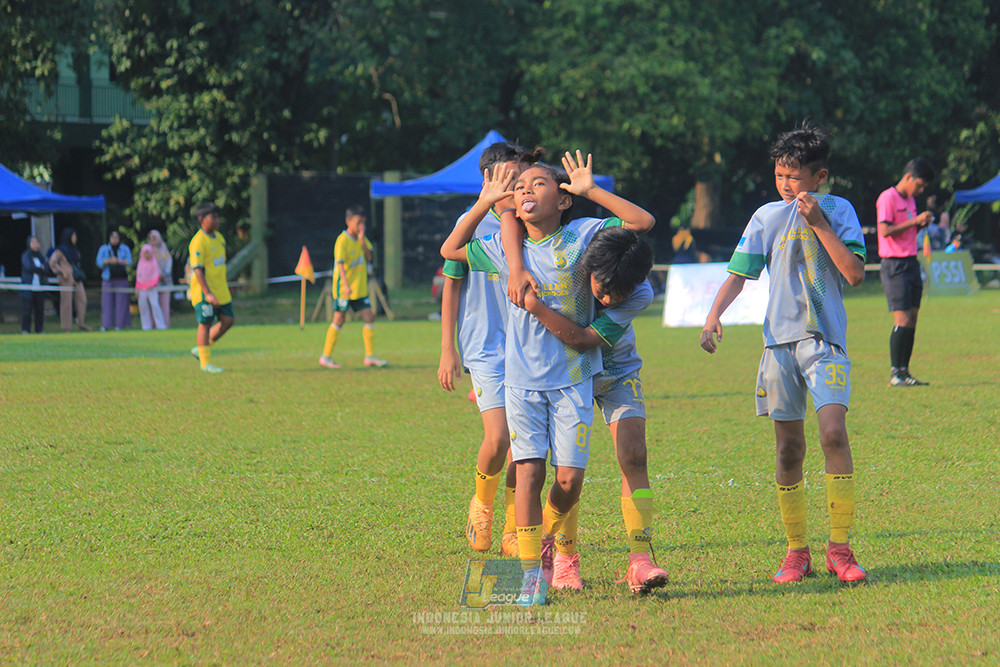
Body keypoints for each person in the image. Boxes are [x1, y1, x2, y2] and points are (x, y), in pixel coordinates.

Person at [441, 150, 655, 605]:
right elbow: (450, 250)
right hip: (521, 382)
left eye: (537, 184)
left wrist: (591, 190)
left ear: (562, 200)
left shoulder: (581, 238)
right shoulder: (502, 250)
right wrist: (485, 202)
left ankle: (545, 541)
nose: (525, 190)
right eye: (519, 188)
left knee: (569, 482)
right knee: (529, 472)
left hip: (575, 378)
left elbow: (641, 223)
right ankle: (531, 574)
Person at [699, 124, 868, 584]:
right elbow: (740, 274)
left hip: (825, 342)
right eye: (779, 176)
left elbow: (854, 274)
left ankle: (840, 548)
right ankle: (797, 552)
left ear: (820, 176)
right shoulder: (766, 217)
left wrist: (819, 223)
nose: (786, 186)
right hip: (778, 347)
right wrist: (714, 314)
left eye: (794, 177)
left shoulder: (840, 211)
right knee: (788, 448)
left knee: (833, 433)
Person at [521, 226, 669, 594]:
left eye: (616, 295)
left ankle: (640, 558)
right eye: (601, 288)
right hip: (568, 373)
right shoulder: (573, 265)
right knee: (567, 470)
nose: (604, 298)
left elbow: (587, 340)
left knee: (635, 454)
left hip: (616, 370)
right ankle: (564, 556)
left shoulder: (642, 292)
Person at [438, 141, 531, 559]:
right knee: (497, 438)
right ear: (488, 180)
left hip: (527, 346)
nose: (516, 186)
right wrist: (447, 349)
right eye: (509, 178)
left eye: (519, 177)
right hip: (484, 347)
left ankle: (513, 529)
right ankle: (482, 505)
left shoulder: (530, 219)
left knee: (524, 443)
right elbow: (451, 285)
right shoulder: (470, 224)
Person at [876, 157, 936, 387]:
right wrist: (914, 222)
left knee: (912, 319)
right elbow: (885, 230)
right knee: (901, 319)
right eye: (919, 185)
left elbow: (907, 229)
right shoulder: (887, 198)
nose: (920, 190)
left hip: (911, 262)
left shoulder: (910, 200)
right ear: (908, 176)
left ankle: (905, 372)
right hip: (894, 264)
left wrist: (921, 223)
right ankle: (895, 372)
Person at [318, 206, 388, 369]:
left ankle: (369, 356)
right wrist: (346, 286)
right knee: (339, 319)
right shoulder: (342, 240)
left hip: (360, 289)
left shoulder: (361, 239)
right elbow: (340, 265)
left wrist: (363, 239)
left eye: (363, 223)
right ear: (348, 221)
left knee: (369, 317)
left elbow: (369, 257)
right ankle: (326, 356)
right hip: (345, 289)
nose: (361, 226)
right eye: (358, 223)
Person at [188, 201, 234, 373]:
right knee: (205, 323)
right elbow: (198, 270)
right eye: (213, 217)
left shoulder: (220, 238)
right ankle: (205, 363)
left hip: (221, 289)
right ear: (202, 219)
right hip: (204, 291)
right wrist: (208, 293)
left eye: (218, 217)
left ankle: (200, 350)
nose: (217, 220)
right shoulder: (198, 242)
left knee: (228, 321)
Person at [47, 227, 91, 333]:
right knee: (66, 303)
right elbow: (52, 262)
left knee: (82, 299)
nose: (75, 238)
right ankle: (66, 326)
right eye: (73, 236)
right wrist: (61, 271)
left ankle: (81, 323)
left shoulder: (75, 249)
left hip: (76, 277)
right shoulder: (60, 250)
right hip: (66, 279)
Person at [97, 230, 133, 331]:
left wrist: (119, 261)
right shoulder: (104, 249)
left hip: (121, 279)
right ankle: (106, 325)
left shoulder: (124, 249)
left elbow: (130, 261)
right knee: (107, 303)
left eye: (116, 237)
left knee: (121, 303)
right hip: (108, 279)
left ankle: (120, 324)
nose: (114, 239)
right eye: (112, 237)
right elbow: (98, 262)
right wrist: (108, 261)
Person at [20, 235, 49, 334]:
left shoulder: (41, 256)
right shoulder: (26, 255)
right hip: (28, 288)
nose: (36, 245)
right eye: (33, 242)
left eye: (37, 242)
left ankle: (39, 329)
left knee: (39, 310)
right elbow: (29, 267)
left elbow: (47, 269)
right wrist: (40, 269)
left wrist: (41, 269)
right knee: (27, 310)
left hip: (39, 288)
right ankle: (25, 329)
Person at [135, 243, 167, 330]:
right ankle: (146, 326)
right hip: (142, 289)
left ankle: (161, 325)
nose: (147, 255)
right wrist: (137, 289)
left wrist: (151, 284)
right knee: (143, 307)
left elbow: (157, 275)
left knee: (155, 306)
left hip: (152, 288)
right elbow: (138, 277)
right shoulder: (141, 263)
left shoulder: (154, 262)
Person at [147, 230, 174, 327]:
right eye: (150, 238)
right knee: (152, 305)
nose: (152, 240)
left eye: (154, 238)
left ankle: (164, 325)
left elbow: (168, 265)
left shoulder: (165, 251)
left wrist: (163, 274)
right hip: (151, 283)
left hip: (165, 281)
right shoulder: (147, 251)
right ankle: (152, 325)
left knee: (164, 305)